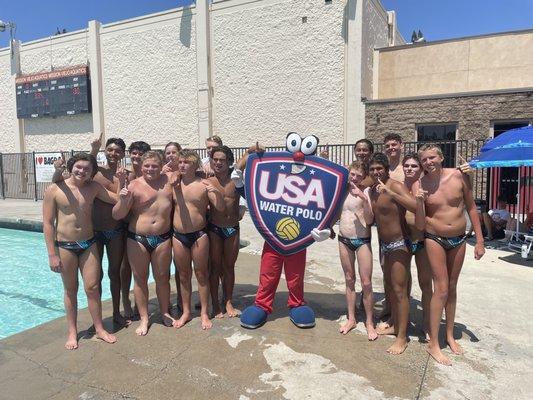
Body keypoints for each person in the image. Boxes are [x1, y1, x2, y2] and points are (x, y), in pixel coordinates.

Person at [415, 144, 484, 366]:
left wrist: (480, 241)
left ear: (442, 157)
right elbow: (418, 222)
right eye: (424, 159)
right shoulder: (421, 184)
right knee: (441, 288)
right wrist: (418, 201)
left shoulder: (459, 175)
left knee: (452, 288)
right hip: (434, 237)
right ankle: (433, 343)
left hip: (459, 238)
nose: (428, 162)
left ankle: (449, 335)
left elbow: (472, 207)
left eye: (432, 157)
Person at [43, 153, 119, 350]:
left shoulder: (93, 188)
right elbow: (48, 224)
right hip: (65, 245)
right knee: (71, 290)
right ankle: (72, 331)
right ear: (71, 167)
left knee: (92, 288)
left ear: (92, 171)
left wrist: (127, 187)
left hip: (89, 243)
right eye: (78, 167)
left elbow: (116, 199)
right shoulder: (55, 189)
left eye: (86, 168)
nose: (82, 171)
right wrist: (52, 254)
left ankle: (100, 329)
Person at [112, 151, 174, 336]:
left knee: (163, 278)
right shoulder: (133, 185)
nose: (150, 169)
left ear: (161, 165)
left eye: (154, 165)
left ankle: (164, 312)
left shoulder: (169, 181)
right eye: (147, 166)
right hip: (138, 238)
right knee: (140, 280)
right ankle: (145, 317)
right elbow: (117, 214)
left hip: (162, 238)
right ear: (142, 166)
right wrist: (123, 201)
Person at [367, 152, 417, 355]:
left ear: (386, 169)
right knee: (390, 288)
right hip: (385, 245)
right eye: (372, 169)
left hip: (399, 244)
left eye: (379, 168)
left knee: (399, 290)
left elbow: (415, 205)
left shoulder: (395, 185)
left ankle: (402, 338)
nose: (376, 172)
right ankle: (396, 325)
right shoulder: (372, 190)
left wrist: (391, 192)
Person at [170, 150, 225, 329]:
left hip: (199, 235)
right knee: (184, 276)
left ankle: (203, 312)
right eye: (181, 162)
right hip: (178, 236)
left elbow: (220, 207)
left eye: (187, 162)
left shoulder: (203, 184)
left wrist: (215, 191)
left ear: (195, 165)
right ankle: (186, 312)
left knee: (202, 274)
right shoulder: (173, 183)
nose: (182, 165)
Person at [337, 160, 377, 340]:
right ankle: (351, 318)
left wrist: (362, 197)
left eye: (359, 176)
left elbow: (369, 220)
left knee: (366, 282)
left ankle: (369, 322)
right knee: (349, 279)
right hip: (343, 239)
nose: (354, 178)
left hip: (362, 240)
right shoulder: (341, 190)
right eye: (352, 174)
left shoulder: (367, 191)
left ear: (364, 177)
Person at [207, 145, 241, 318]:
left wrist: (254, 149)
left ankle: (228, 301)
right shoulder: (206, 180)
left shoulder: (235, 179)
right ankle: (214, 303)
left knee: (229, 267)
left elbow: (248, 158)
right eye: (215, 159)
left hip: (232, 228)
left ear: (229, 161)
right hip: (214, 228)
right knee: (215, 267)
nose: (218, 163)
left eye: (222, 160)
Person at [402, 153, 433, 339]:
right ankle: (401, 320)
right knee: (402, 284)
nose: (409, 169)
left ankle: (428, 323)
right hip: (403, 241)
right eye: (407, 165)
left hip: (422, 241)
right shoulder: (398, 185)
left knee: (425, 285)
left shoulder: (426, 185)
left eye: (414, 166)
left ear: (420, 169)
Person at [121, 140, 151, 319]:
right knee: (126, 268)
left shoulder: (153, 172)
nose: (136, 156)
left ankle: (153, 304)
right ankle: (126, 302)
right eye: (134, 153)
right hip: (126, 226)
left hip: (147, 229)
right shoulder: (125, 175)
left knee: (153, 272)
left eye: (140, 153)